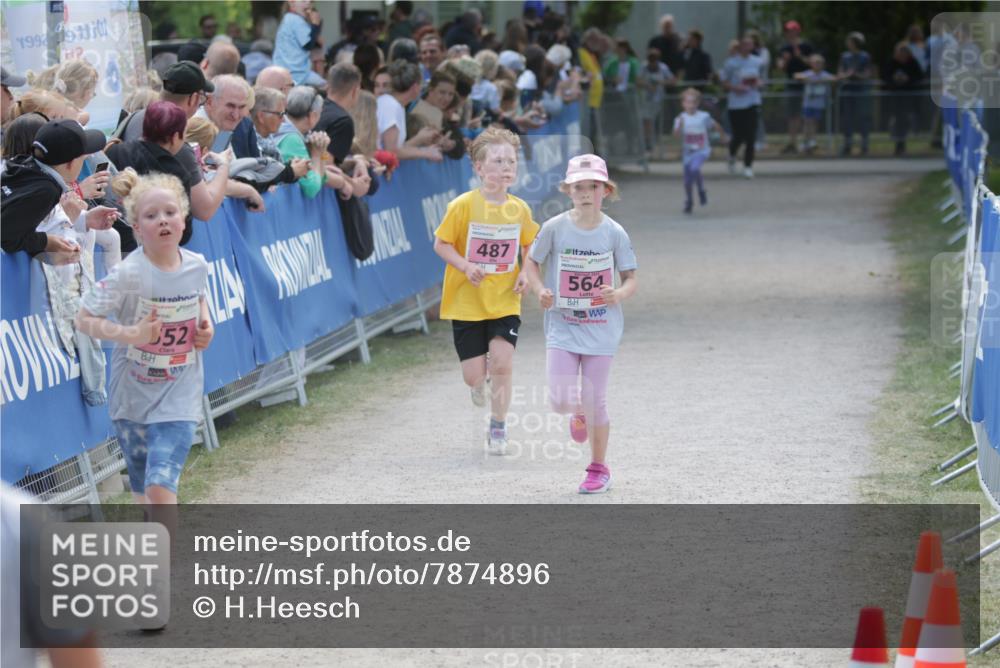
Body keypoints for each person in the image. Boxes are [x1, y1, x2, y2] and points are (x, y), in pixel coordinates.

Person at [76, 168, 213, 543]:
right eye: (152, 216)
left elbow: (201, 303)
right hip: (132, 398)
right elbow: (84, 319)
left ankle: (161, 566)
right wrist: (131, 334)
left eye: (170, 212)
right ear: (137, 228)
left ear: (184, 219)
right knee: (142, 488)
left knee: (159, 483)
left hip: (179, 394)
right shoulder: (128, 274)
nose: (163, 221)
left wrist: (206, 328)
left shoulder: (197, 266)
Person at [522, 153, 638, 494]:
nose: (586, 193)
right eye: (579, 187)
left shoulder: (614, 233)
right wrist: (540, 289)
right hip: (562, 325)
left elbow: (631, 278)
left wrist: (618, 294)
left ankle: (598, 467)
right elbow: (531, 264)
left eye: (593, 187)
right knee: (559, 399)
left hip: (601, 328)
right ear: (567, 190)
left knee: (595, 399)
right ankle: (578, 413)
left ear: (606, 190)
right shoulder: (554, 228)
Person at [433, 127, 539, 455]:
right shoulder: (463, 206)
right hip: (467, 302)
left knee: (503, 362)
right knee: (473, 376)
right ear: (479, 168)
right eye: (498, 161)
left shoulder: (519, 208)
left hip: (504, 299)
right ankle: (479, 385)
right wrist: (466, 266)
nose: (507, 167)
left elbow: (530, 243)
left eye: (511, 160)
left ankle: (498, 424)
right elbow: (441, 244)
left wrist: (525, 271)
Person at [107, 101, 231, 250]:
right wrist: (223, 166)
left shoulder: (114, 151)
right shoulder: (176, 172)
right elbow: (184, 233)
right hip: (152, 254)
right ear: (175, 137)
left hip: (111, 243)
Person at [275, 86, 352, 198]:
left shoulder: (291, 132)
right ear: (313, 116)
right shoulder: (291, 139)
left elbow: (321, 175)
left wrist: (322, 151)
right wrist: (316, 156)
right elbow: (312, 188)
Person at [376, 60, 442, 161]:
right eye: (421, 85)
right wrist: (426, 153)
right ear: (415, 87)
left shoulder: (397, 106)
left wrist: (419, 140)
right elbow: (391, 151)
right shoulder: (391, 105)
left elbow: (397, 148)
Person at [673, 88, 726, 213]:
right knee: (687, 181)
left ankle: (701, 190)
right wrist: (679, 127)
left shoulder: (704, 116)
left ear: (697, 104)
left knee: (695, 168)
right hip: (688, 153)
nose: (690, 105)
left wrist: (723, 137)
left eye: (693, 102)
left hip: (702, 150)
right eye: (688, 102)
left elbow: (716, 125)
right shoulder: (680, 118)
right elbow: (675, 136)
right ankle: (689, 200)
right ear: (683, 104)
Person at [720, 36, 764, 178]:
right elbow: (724, 82)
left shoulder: (757, 61)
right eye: (744, 44)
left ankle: (748, 166)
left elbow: (762, 79)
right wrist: (734, 87)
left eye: (749, 44)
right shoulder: (731, 63)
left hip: (752, 101)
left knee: (750, 135)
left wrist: (758, 83)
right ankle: (732, 155)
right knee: (738, 135)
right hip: (736, 104)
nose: (747, 46)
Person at [777, 20, 815, 154]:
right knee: (792, 115)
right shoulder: (784, 48)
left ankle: (808, 143)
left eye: (792, 30)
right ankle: (793, 143)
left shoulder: (806, 46)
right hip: (792, 84)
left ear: (798, 31)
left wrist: (800, 57)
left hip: (807, 85)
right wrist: (786, 60)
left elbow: (814, 64)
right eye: (788, 31)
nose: (790, 33)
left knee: (807, 115)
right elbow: (780, 67)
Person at [315, 62, 362, 164]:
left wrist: (356, 161)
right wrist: (350, 181)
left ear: (328, 86)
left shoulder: (314, 107)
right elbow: (327, 165)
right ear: (355, 90)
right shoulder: (342, 121)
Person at [883, 41, 924, 156]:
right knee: (897, 120)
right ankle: (898, 144)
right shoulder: (892, 62)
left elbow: (919, 77)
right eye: (900, 53)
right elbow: (886, 77)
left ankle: (903, 144)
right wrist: (895, 80)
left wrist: (908, 79)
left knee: (906, 120)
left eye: (904, 53)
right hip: (895, 96)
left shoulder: (913, 62)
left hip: (909, 97)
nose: (902, 56)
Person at [274, 0, 325, 87]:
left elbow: (316, 43)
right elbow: (308, 45)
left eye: (311, 1)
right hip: (297, 73)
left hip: (285, 70)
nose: (308, 3)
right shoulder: (296, 20)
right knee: (326, 86)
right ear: (292, 3)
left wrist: (315, 25)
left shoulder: (289, 18)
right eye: (304, 1)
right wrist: (315, 25)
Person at [794, 54, 837, 153]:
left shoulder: (824, 74)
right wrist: (808, 79)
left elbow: (834, 79)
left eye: (820, 63)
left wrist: (823, 80)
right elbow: (796, 75)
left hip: (818, 104)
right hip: (808, 103)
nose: (818, 65)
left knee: (814, 122)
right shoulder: (809, 73)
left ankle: (812, 140)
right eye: (816, 63)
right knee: (807, 122)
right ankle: (806, 141)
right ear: (811, 64)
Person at [637, 47, 675, 155]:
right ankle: (648, 145)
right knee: (647, 121)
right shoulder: (644, 67)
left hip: (659, 101)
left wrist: (660, 82)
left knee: (657, 124)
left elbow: (672, 80)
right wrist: (648, 85)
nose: (652, 63)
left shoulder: (663, 68)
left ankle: (657, 147)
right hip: (646, 100)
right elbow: (638, 80)